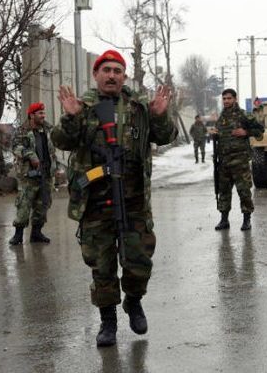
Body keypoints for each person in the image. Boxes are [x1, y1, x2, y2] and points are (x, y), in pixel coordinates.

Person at [51, 49, 178, 347]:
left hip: (133, 201)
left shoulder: (140, 107)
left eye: (117, 71)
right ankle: (107, 321)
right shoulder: (83, 107)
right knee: (102, 265)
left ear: (124, 76)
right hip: (95, 202)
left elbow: (166, 135)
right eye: (106, 70)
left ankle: (133, 302)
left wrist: (160, 116)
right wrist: (71, 118)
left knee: (138, 259)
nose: (111, 75)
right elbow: (61, 141)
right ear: (96, 75)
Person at [212, 88, 264, 231]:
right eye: (224, 99)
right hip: (224, 162)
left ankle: (246, 220)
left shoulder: (243, 116)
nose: (226, 101)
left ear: (235, 99)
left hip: (240, 162)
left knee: (244, 192)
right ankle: (224, 220)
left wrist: (246, 132)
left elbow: (260, 131)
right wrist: (215, 134)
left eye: (229, 98)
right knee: (224, 192)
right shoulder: (221, 117)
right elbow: (220, 135)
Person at [9, 102, 56, 245]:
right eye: (40, 113)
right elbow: (16, 147)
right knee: (24, 205)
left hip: (46, 174)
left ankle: (36, 233)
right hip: (29, 176)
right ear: (31, 115)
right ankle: (18, 235)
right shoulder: (22, 131)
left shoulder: (48, 129)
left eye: (43, 113)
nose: (43, 116)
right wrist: (31, 155)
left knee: (43, 206)